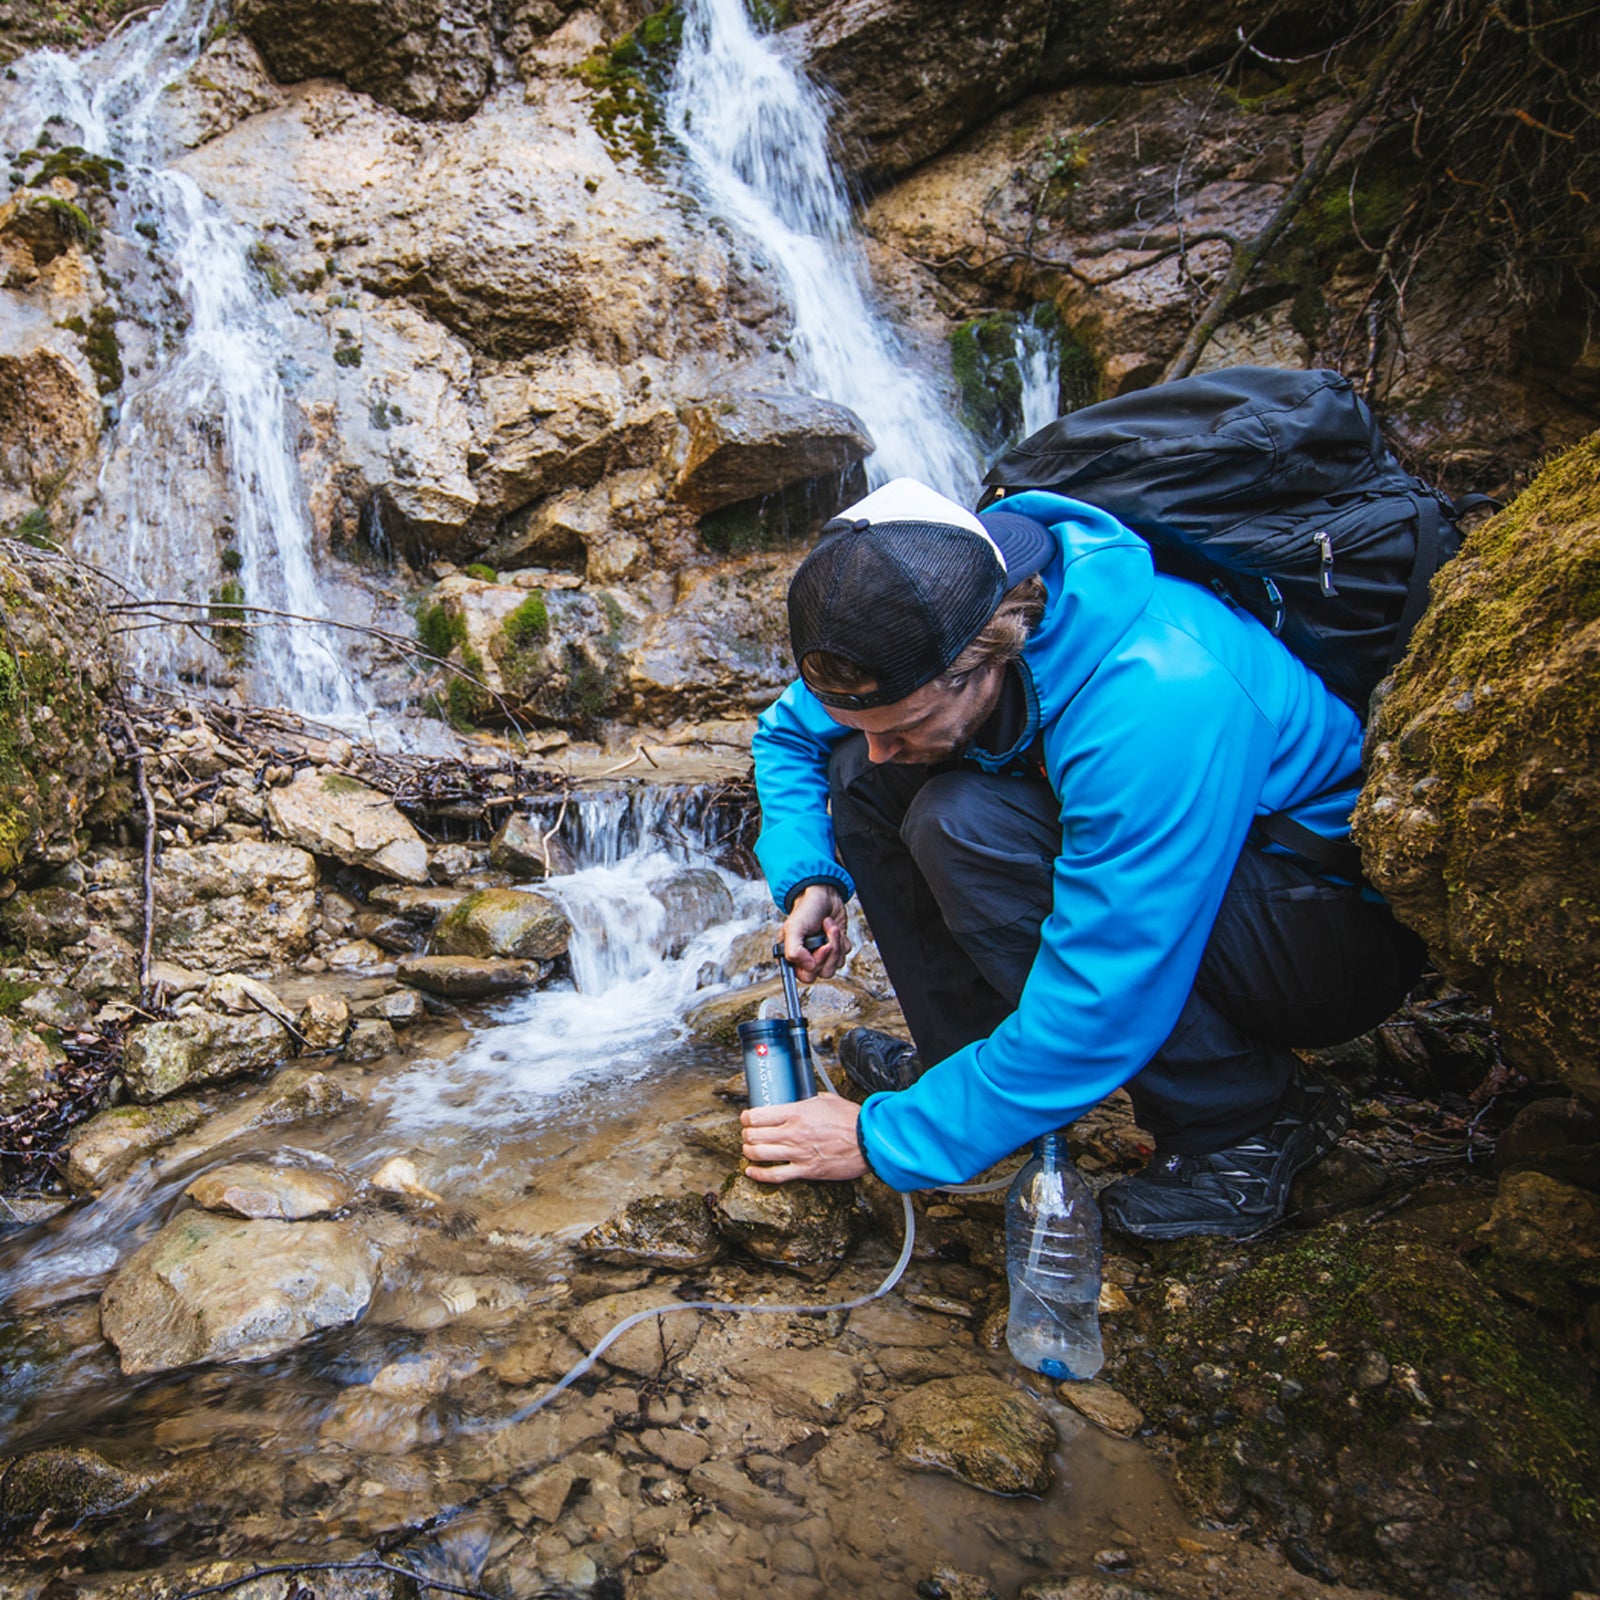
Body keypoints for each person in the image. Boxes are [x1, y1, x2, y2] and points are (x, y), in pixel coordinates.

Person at [738, 477, 1424, 1238]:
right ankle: (965, 1067)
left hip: (1314, 934)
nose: (880, 740)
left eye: (906, 722)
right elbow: (788, 735)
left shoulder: (1157, 689)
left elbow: (1107, 986)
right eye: (859, 718)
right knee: (865, 777)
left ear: (986, 653)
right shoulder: (910, 636)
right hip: (1190, 885)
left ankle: (1242, 1122)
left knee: (963, 825)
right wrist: (812, 878)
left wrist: (880, 1140)